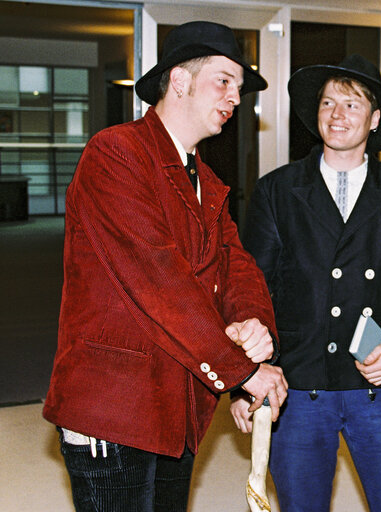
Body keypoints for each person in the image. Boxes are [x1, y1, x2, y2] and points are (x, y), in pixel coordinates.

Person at [43, 21, 288, 511]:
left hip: (178, 406)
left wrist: (254, 327)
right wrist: (240, 371)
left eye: (239, 87)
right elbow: (160, 280)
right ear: (179, 80)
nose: (235, 97)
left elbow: (236, 266)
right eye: (224, 80)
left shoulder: (208, 181)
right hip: (114, 407)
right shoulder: (115, 154)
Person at [232, 54, 381, 511]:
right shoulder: (276, 190)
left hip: (378, 385)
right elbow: (251, 291)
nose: (336, 114)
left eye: (351, 105)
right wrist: (243, 382)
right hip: (298, 385)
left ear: (375, 119)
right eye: (328, 103)